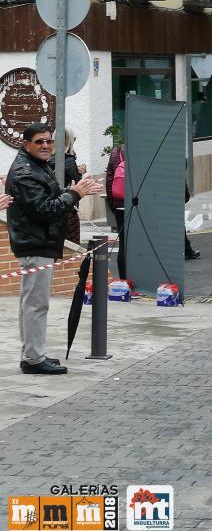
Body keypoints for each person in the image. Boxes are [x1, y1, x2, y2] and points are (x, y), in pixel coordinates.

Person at [6, 123, 102, 375]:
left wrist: (72, 191)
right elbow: (45, 210)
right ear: (26, 144)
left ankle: (32, 354)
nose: (46, 146)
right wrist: (75, 194)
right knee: (36, 304)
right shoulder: (25, 172)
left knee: (33, 303)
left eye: (48, 141)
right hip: (35, 243)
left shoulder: (37, 166)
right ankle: (33, 358)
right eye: (39, 142)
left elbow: (50, 198)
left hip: (40, 242)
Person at [48, 127, 85, 245]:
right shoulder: (68, 161)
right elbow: (78, 185)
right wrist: (80, 173)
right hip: (67, 207)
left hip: (49, 206)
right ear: (70, 140)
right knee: (71, 246)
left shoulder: (46, 160)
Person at [105, 139, 127, 279]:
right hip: (140, 205)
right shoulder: (143, 150)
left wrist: (113, 204)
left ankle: (124, 280)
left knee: (124, 243)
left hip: (120, 204)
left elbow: (109, 180)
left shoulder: (116, 152)